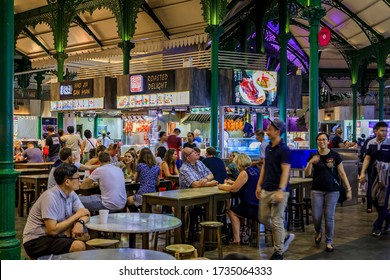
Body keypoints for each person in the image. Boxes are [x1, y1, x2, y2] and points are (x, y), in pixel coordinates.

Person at [22, 163, 90, 259]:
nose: (80, 181)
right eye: (78, 178)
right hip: (35, 240)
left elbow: (85, 213)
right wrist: (76, 216)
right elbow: (52, 230)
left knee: (86, 238)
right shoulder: (50, 197)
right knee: (78, 246)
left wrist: (80, 223)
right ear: (67, 182)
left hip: (52, 237)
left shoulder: (71, 193)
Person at [304, 132, 352, 252]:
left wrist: (349, 189)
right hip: (317, 190)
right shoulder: (313, 155)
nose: (322, 142)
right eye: (320, 140)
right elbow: (307, 173)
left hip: (332, 190)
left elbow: (342, 173)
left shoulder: (335, 156)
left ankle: (329, 241)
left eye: (324, 139)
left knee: (329, 216)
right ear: (317, 142)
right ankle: (318, 230)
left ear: (328, 141)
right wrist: (311, 162)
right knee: (316, 216)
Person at [256, 118, 294, 260]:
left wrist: (281, 189)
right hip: (266, 188)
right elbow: (265, 167)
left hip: (279, 190)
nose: (267, 131)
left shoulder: (284, 150)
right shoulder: (268, 148)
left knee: (277, 219)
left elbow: (286, 170)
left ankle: (278, 251)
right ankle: (284, 236)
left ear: (277, 131)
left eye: (270, 129)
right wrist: (259, 184)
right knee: (263, 217)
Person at [218, 154, 260, 244]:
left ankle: (236, 239)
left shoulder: (244, 172)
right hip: (259, 204)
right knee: (237, 208)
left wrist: (221, 186)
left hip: (251, 207)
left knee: (232, 211)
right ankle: (245, 232)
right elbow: (247, 183)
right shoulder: (255, 170)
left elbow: (234, 189)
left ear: (239, 163)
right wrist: (233, 182)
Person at [359, 121, 390, 231]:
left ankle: (377, 227)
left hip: (386, 177)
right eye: (382, 130)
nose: (384, 133)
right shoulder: (370, 143)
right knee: (373, 199)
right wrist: (362, 173)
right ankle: (388, 219)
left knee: (383, 202)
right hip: (373, 174)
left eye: (386, 130)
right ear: (375, 131)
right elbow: (367, 158)